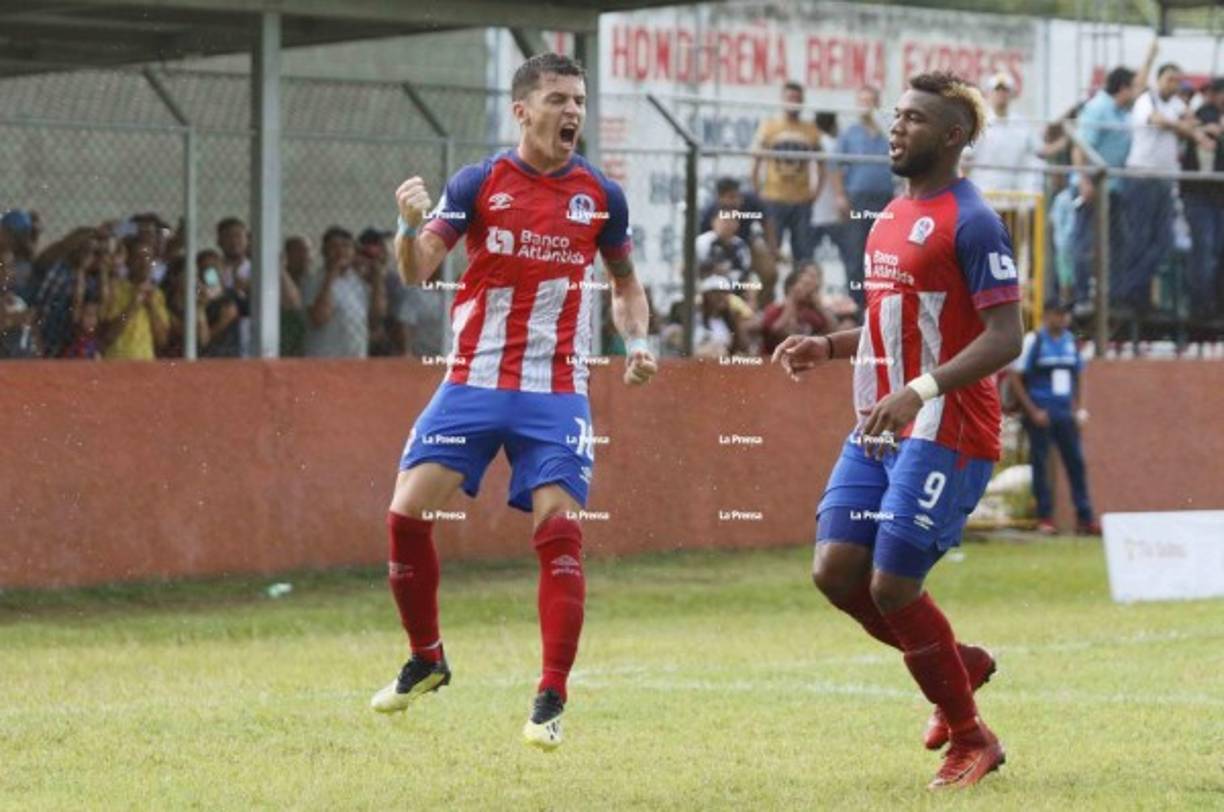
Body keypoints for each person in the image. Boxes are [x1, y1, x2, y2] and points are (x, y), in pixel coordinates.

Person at [371, 53, 657, 752]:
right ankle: (427, 658)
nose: (573, 113)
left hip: (556, 390)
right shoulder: (478, 183)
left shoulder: (601, 195)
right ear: (523, 110)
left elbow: (624, 283)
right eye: (559, 99)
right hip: (471, 379)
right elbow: (418, 271)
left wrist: (640, 341)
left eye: (580, 101)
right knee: (406, 515)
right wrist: (409, 226)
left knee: (559, 530)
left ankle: (551, 696)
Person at [772, 72, 1023, 790]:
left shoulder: (974, 221)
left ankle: (972, 736)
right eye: (896, 115)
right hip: (881, 423)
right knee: (835, 572)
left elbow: (1007, 337)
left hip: (948, 425)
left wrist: (918, 390)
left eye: (914, 119)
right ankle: (961, 666)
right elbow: (896, 324)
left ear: (952, 136)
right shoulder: (887, 215)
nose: (896, 127)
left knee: (892, 584)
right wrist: (830, 345)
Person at [1117, 62, 1214, 311]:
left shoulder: (1176, 104)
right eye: (1169, 79)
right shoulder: (1146, 100)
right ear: (1158, 79)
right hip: (1142, 177)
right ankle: (1130, 293)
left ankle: (1135, 290)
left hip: (1164, 180)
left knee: (1163, 241)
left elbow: (1192, 121)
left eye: (1177, 80)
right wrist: (1188, 130)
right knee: (1140, 239)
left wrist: (1198, 129)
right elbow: (1159, 121)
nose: (1173, 84)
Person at [1071, 45, 1156, 310]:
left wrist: (1150, 55)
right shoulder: (1098, 109)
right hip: (1093, 187)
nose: (1137, 92)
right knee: (1086, 244)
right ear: (1122, 88)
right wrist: (1084, 181)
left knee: (1120, 244)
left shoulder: (1122, 111)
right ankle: (1083, 297)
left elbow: (1140, 83)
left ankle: (1115, 296)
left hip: (1114, 188)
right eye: (1132, 88)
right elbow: (1079, 147)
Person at [1005, 303, 1099, 536]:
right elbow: (1015, 376)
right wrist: (1032, 411)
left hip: (1065, 412)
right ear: (1047, 315)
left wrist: (1081, 408)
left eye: (1066, 314)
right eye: (1059, 313)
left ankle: (1085, 517)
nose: (1063, 318)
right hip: (1042, 413)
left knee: (1075, 463)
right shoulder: (1033, 340)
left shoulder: (1070, 341)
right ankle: (1044, 517)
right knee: (1041, 464)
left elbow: (1079, 375)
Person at [833, 86, 895, 309]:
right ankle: (857, 306)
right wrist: (840, 196)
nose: (867, 106)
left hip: (885, 199)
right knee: (856, 252)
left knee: (883, 254)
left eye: (871, 101)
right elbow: (837, 168)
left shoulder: (889, 133)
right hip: (857, 199)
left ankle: (879, 303)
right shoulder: (850, 134)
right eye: (863, 101)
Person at [751, 80, 822, 266]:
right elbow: (756, 160)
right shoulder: (769, 126)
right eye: (790, 97)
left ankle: (801, 293)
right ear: (782, 100)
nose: (793, 102)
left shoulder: (811, 129)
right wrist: (757, 191)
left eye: (797, 98)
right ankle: (767, 295)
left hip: (801, 200)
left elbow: (821, 164)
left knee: (803, 253)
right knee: (770, 253)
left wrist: (816, 191)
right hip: (774, 198)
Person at [302, 226, 385, 358]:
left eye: (346, 246)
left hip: (355, 359)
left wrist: (377, 279)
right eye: (334, 247)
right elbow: (319, 318)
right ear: (324, 252)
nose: (340, 251)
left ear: (354, 252)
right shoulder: (314, 281)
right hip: (324, 359)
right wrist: (331, 276)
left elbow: (376, 317)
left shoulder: (357, 281)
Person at [1179, 78, 1224, 321]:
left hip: (1215, 197)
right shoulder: (1206, 113)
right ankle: (1201, 308)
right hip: (1200, 195)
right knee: (1205, 252)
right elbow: (1207, 126)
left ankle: (1211, 306)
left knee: (1213, 251)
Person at [964, 73, 1041, 193]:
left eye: (1005, 90)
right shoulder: (978, 123)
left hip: (1013, 197)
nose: (1001, 94)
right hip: (983, 194)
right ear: (989, 93)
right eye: (997, 90)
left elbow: (1039, 151)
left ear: (1011, 95)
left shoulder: (1022, 125)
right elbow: (966, 159)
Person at [101, 235, 170, 360]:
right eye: (138, 257)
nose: (144, 263)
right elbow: (108, 335)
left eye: (148, 257)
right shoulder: (114, 289)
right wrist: (133, 305)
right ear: (128, 261)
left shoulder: (157, 294)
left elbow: (162, 340)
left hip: (145, 364)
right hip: (116, 363)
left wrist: (151, 307)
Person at [760, 262, 835, 356]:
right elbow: (772, 334)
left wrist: (819, 307)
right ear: (791, 287)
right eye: (805, 284)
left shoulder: (812, 314)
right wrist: (791, 302)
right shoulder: (774, 310)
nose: (809, 290)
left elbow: (833, 332)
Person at [280, 236, 310, 357]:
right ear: (287, 256)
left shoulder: (314, 281)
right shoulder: (277, 280)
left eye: (307, 251)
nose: (305, 256)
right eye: (299, 251)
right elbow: (293, 303)